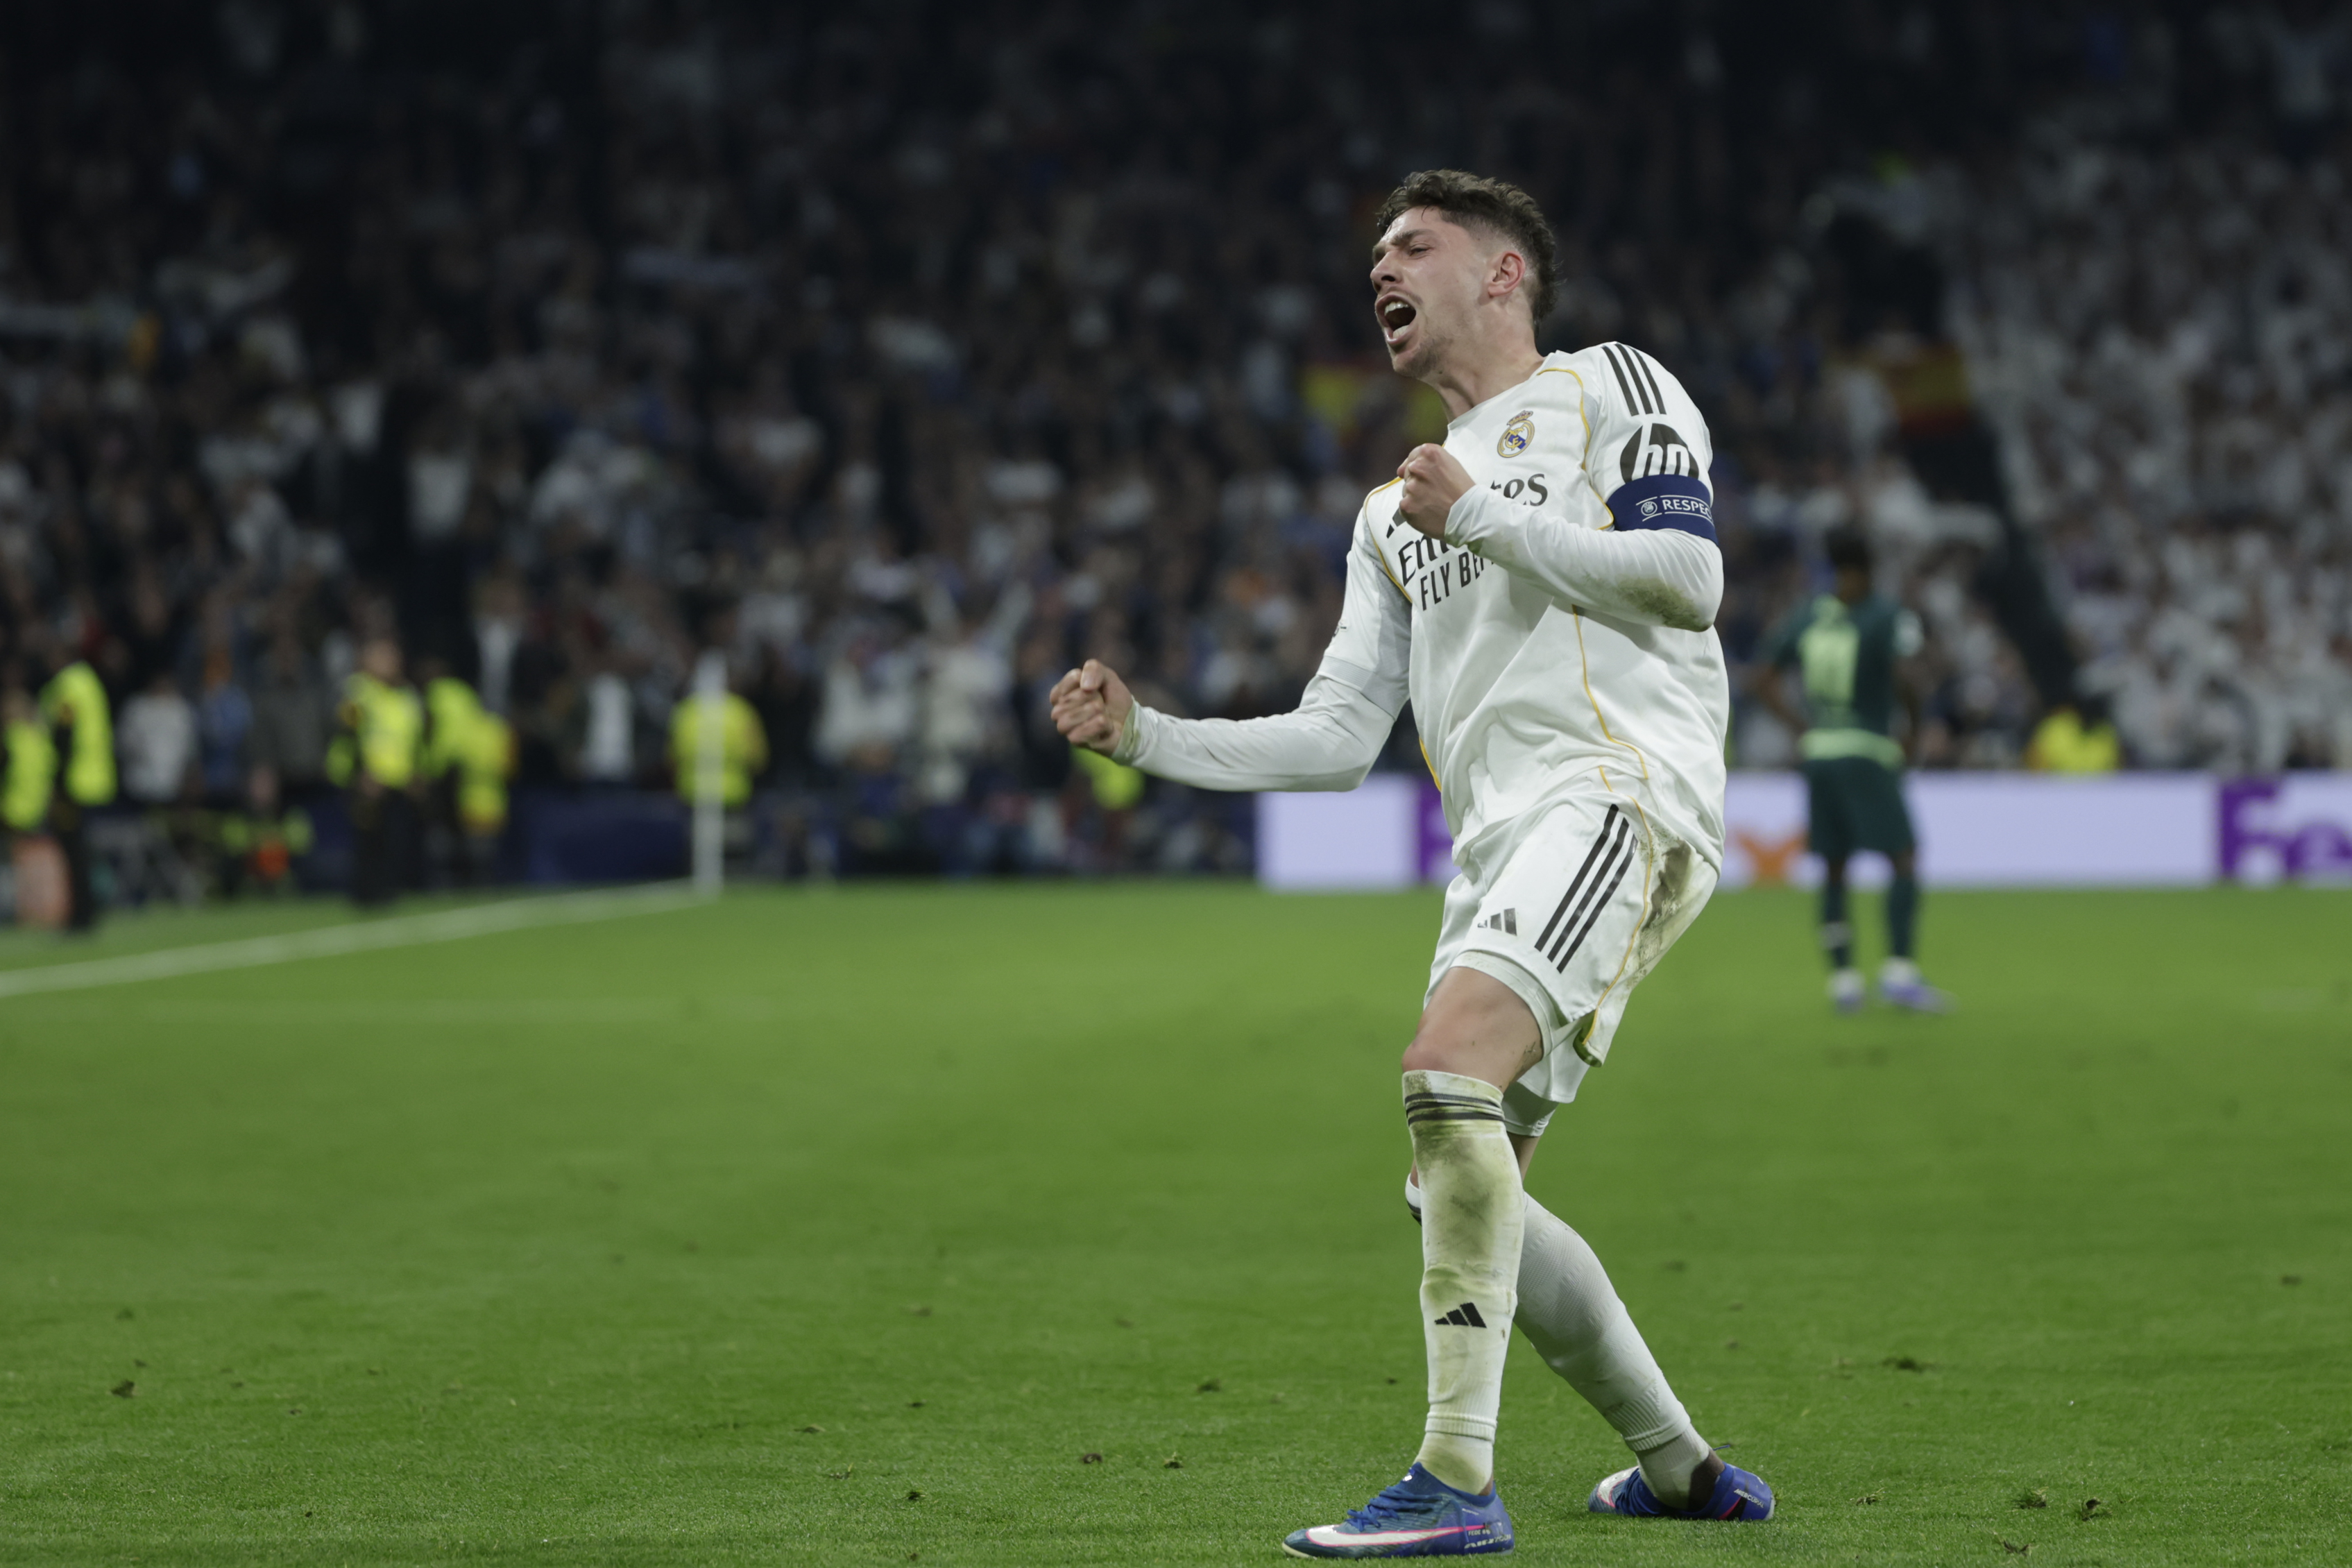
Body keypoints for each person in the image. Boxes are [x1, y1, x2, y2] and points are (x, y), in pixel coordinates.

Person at [1053, 169, 1771, 1558]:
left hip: (1618, 792)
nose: (1381, 266)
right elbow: (1334, 740)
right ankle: (1679, 1466)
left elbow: (1692, 579)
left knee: (1444, 1077)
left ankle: (1456, 1479)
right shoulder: (1393, 512)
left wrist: (1486, 518)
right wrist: (1149, 736)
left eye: (1414, 243)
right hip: (1500, 845)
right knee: (1456, 1168)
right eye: (1375, 252)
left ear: (1503, 274)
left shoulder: (1605, 384)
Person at [1755, 525, 1952, 1014]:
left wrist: (1802, 728)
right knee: (1903, 858)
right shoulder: (1887, 615)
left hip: (1820, 753)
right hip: (1867, 748)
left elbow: (1763, 677)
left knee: (1834, 868)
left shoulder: (1809, 615)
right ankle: (1900, 973)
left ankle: (1843, 980)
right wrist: (1912, 729)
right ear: (1870, 567)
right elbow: (1907, 675)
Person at [329, 638, 424, 907]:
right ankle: (365, 895)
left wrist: (416, 772)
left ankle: (388, 893)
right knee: (368, 840)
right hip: (367, 781)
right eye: (381, 657)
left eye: (392, 657)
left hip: (398, 780)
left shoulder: (407, 695)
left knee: (395, 840)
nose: (389, 663)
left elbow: (413, 738)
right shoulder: (357, 692)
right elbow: (348, 735)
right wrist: (362, 773)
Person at [39, 647, 117, 932]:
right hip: (92, 778)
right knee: (80, 849)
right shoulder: (89, 681)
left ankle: (81, 915)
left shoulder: (67, 686)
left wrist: (57, 785)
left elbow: (64, 734)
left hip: (72, 781)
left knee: (73, 851)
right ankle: (86, 911)